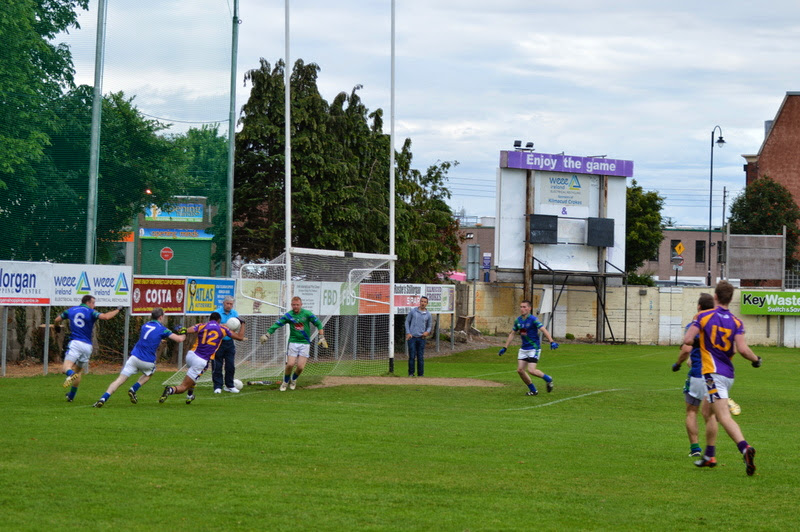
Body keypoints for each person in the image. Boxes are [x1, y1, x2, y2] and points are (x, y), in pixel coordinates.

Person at [683, 280, 762, 476]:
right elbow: (742, 349)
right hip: (728, 374)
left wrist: (700, 338)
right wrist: (756, 360)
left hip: (712, 373)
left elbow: (687, 340)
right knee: (707, 413)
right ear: (731, 298)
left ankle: (744, 448)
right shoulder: (737, 322)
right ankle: (710, 456)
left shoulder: (703, 316)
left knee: (722, 416)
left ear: (715, 296)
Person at [93, 308, 185, 408]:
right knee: (150, 373)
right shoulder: (162, 329)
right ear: (160, 317)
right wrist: (184, 332)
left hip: (134, 357)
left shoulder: (144, 326)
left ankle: (103, 398)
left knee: (119, 380)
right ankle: (133, 388)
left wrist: (159, 340)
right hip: (147, 360)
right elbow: (179, 339)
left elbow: (151, 337)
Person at [159, 312, 245, 404]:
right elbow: (240, 337)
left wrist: (179, 329)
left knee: (195, 376)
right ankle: (171, 390)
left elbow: (184, 330)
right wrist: (242, 324)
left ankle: (190, 396)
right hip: (201, 360)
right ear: (219, 320)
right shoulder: (223, 329)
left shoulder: (201, 325)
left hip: (191, 355)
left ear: (209, 319)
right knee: (184, 386)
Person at [54, 294, 123, 402]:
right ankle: (71, 396)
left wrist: (56, 326)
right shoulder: (91, 312)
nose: (94, 306)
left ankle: (70, 375)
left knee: (65, 368)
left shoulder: (71, 310)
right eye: (93, 303)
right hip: (87, 346)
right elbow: (106, 317)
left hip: (75, 343)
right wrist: (118, 310)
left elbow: (57, 319)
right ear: (88, 302)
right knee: (78, 372)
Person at [672, 293, 716, 457]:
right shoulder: (718, 326)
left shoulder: (695, 325)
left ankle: (695, 449)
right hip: (715, 375)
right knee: (710, 415)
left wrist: (677, 364)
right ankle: (710, 451)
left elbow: (686, 349)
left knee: (692, 412)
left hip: (698, 374)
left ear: (699, 307)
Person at [260, 296, 325, 391]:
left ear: (301, 305)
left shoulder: (307, 314)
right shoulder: (289, 315)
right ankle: (285, 382)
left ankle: (293, 379)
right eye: (294, 305)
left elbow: (318, 323)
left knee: (300, 367)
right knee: (290, 364)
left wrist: (321, 336)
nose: (295, 306)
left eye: (297, 305)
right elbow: (277, 324)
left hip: (305, 343)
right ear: (291, 305)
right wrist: (268, 334)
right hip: (293, 342)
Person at [499, 300, 558, 396]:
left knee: (531, 370)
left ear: (529, 308)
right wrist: (505, 347)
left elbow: (543, 330)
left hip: (534, 348)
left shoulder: (533, 319)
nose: (522, 309)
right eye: (521, 307)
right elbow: (512, 333)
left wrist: (551, 341)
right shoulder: (518, 320)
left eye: (524, 307)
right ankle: (533, 391)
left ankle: (548, 379)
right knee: (520, 370)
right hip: (523, 349)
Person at [212, 295, 242, 394]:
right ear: (223, 303)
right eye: (227, 303)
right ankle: (217, 386)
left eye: (231, 304)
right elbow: (213, 325)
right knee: (217, 365)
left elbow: (236, 326)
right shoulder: (217, 313)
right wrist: (226, 325)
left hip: (229, 342)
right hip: (218, 342)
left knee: (230, 365)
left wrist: (231, 327)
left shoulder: (234, 313)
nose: (229, 306)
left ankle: (229, 385)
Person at [405, 296, 432, 377]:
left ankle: (420, 375)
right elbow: (407, 322)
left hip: (421, 338)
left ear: (427, 304)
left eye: (424, 302)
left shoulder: (428, 314)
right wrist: (408, 332)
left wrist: (427, 332)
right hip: (412, 337)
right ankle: (411, 373)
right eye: (422, 301)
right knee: (412, 356)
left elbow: (429, 326)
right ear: (419, 302)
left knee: (420, 357)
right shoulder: (413, 311)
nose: (423, 303)